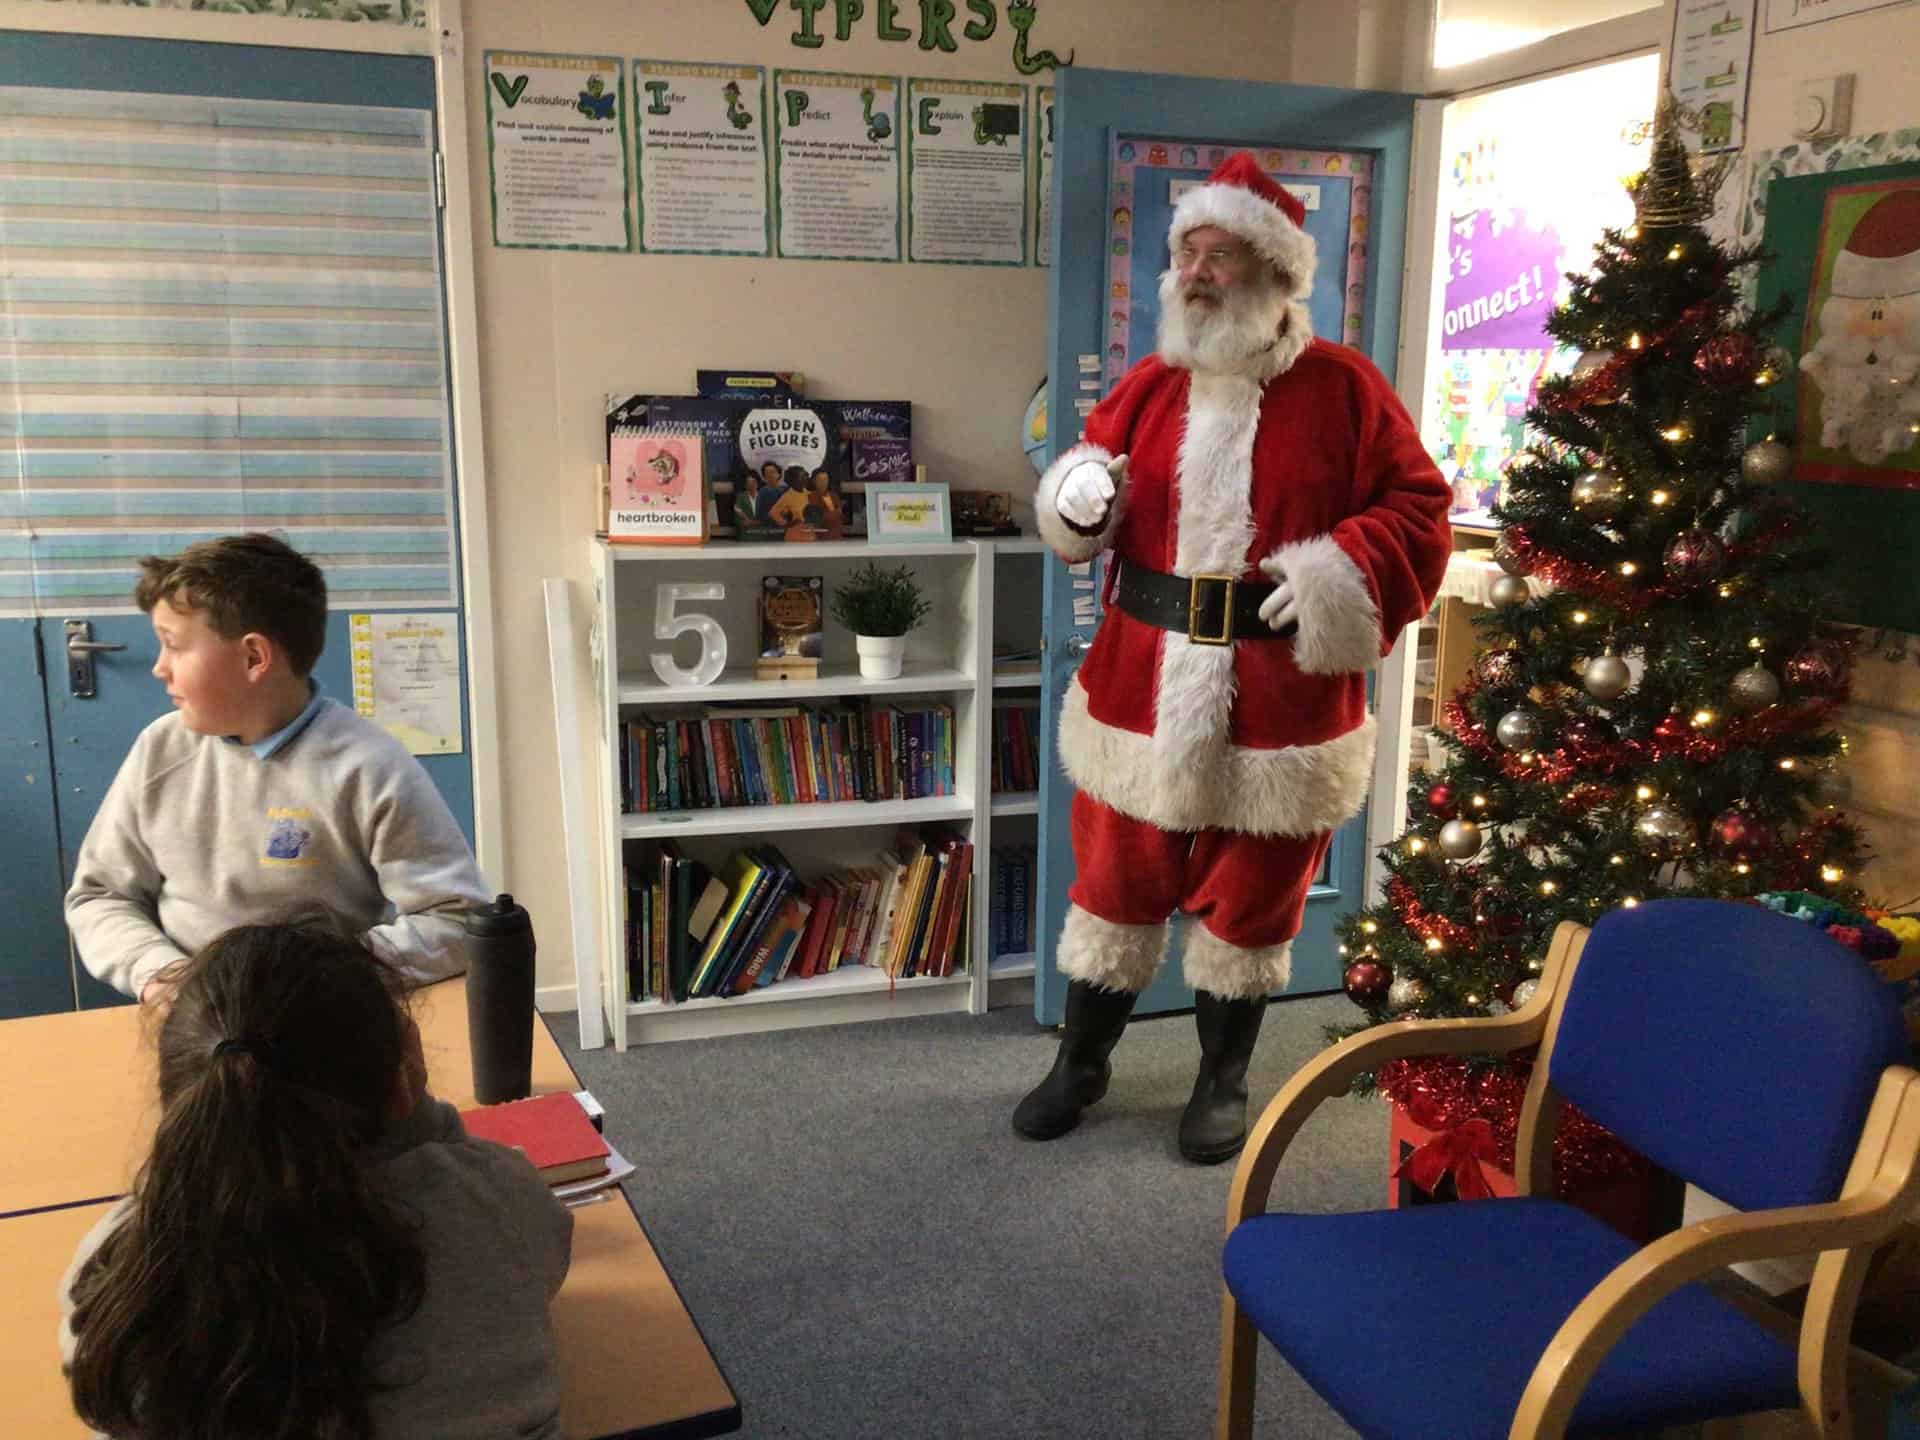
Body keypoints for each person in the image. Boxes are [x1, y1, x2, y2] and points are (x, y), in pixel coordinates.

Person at [1017, 152, 1452, 1163]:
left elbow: (1420, 509)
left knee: (1253, 897)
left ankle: (1223, 1076)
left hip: (1280, 694)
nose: (1198, 273)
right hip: (1138, 685)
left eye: (1221, 255)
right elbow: (1088, 478)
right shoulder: (1149, 384)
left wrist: (1344, 566)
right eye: (1189, 253)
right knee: (1113, 880)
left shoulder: (1346, 388)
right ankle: (1081, 1062)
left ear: (1277, 272)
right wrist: (1077, 498)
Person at [58, 920, 573, 1440]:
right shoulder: (500, 1203)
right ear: (402, 1080)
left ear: (183, 1098)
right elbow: (541, 1260)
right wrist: (418, 1115)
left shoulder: (113, 1284)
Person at [64, 533, 490, 1004]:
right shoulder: (160, 750)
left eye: (174, 645)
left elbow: (457, 920)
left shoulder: (368, 766)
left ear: (254, 658)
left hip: (324, 1010)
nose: (159, 668)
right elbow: (100, 896)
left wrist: (322, 976)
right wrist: (160, 974)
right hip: (192, 1016)